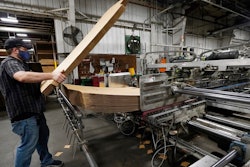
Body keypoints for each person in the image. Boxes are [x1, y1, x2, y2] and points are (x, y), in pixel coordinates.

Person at [0, 38, 66, 167]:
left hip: (35, 110)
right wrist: (51, 75)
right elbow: (22, 77)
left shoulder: (23, 64)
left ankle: (46, 161)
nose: (27, 52)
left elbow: (30, 79)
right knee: (28, 145)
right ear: (15, 50)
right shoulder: (10, 62)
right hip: (24, 113)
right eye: (24, 49)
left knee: (42, 139)